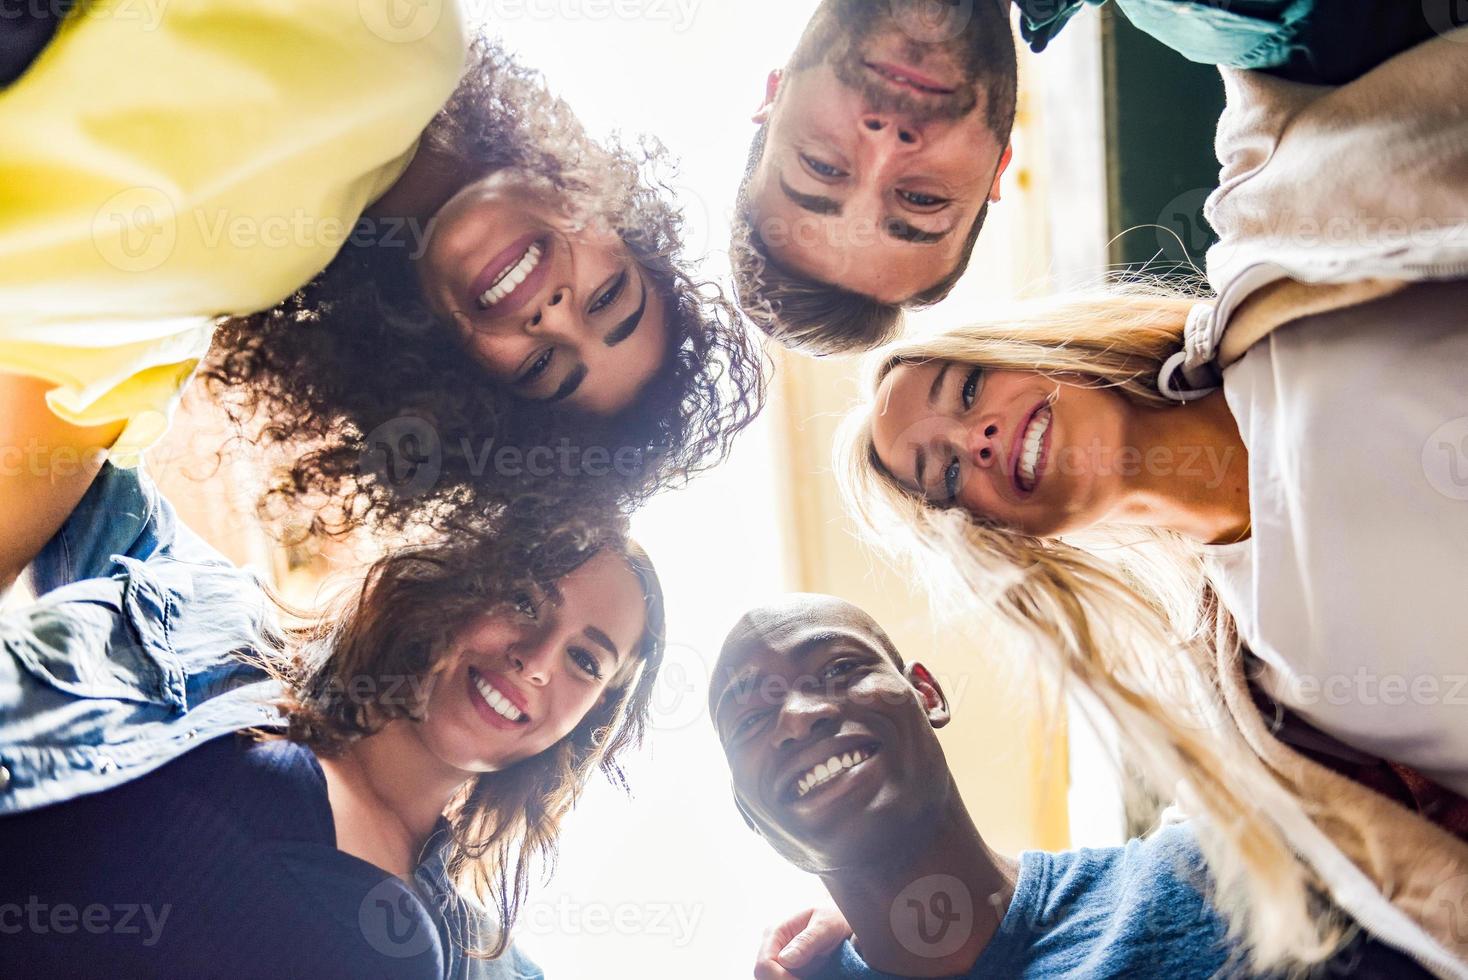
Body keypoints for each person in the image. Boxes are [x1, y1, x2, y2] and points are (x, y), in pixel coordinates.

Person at [0, 7, 764, 592]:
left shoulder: (205, 308)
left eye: (541, 367)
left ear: (462, 385)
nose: (556, 316)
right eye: (609, 297)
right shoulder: (410, 35)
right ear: (609, 211)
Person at [0, 462, 666, 977]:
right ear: (465, 576)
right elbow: (79, 424)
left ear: (591, 717)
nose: (538, 659)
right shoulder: (214, 626)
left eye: (585, 659)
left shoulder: (485, 963)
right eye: (525, 600)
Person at [711, 594, 1437, 978]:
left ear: (925, 693)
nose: (800, 717)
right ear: (751, 814)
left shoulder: (1218, 874)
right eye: (750, 715)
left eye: (839, 669)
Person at [729, 0, 1455, 355]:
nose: (887, 144)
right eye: (919, 199)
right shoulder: (1251, 15)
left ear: (772, 95)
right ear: (996, 165)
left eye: (822, 166)